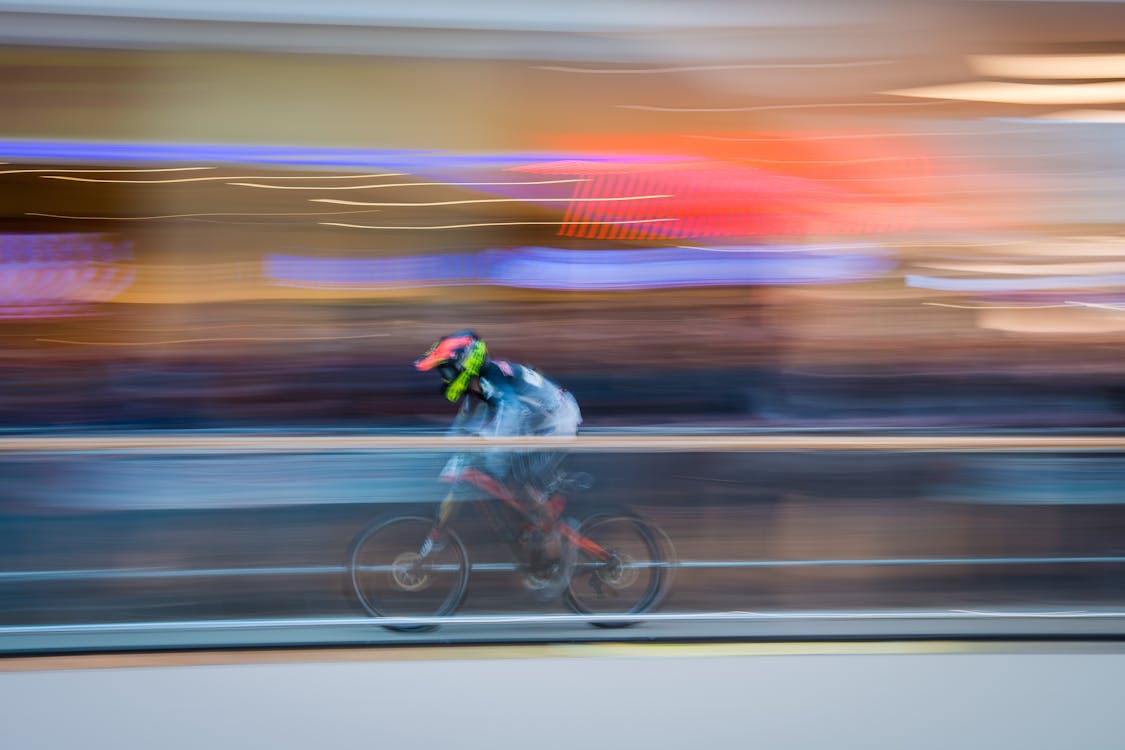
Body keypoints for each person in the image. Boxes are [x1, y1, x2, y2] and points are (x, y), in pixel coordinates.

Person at [414, 329, 583, 590]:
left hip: (556, 421)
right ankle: (533, 532)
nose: (444, 378)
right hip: (536, 421)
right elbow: (462, 428)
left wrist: (489, 453)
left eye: (446, 371)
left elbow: (511, 414)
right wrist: (445, 452)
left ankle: (553, 548)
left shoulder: (491, 378)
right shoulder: (477, 386)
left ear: (464, 364)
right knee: (500, 473)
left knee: (522, 484)